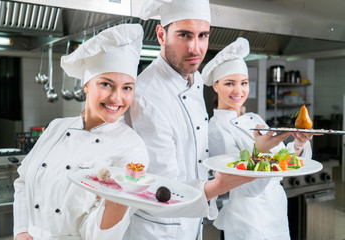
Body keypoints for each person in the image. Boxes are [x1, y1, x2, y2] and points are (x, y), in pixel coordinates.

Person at [125, 1, 254, 239]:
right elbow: (163, 185)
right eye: (184, 35)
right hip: (157, 228)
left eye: (202, 35)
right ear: (162, 34)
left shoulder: (192, 80)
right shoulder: (147, 95)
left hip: (192, 222)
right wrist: (225, 182)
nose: (195, 48)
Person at [13, 24, 148, 240]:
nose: (117, 98)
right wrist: (21, 230)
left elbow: (101, 236)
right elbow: (23, 180)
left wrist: (117, 203)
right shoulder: (57, 126)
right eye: (106, 84)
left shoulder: (131, 147)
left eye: (127, 87)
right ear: (86, 85)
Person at [202, 37, 315, 240]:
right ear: (216, 86)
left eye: (244, 83)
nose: (239, 91)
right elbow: (247, 185)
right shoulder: (216, 129)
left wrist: (299, 143)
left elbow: (283, 159)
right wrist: (260, 152)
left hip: (276, 212)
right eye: (230, 83)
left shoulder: (254, 119)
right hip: (248, 221)